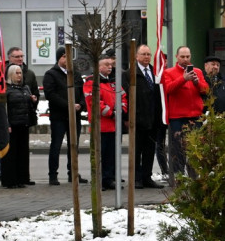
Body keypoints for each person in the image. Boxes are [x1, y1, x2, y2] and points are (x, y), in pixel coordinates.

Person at [162, 46, 209, 181]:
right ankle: (179, 177)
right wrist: (183, 78)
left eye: (187, 57)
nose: (185, 60)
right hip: (178, 117)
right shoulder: (169, 72)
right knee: (178, 149)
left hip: (195, 116)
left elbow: (206, 90)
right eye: (182, 57)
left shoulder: (198, 72)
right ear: (177, 57)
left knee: (196, 148)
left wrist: (196, 82)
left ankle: (194, 177)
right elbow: (168, 89)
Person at [42, 46, 87, 185]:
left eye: (69, 57)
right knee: (56, 145)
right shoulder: (51, 74)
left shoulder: (75, 74)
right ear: (59, 58)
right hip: (59, 116)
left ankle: (73, 172)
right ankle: (53, 175)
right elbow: (51, 95)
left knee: (74, 145)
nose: (67, 60)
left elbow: (82, 91)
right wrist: (68, 105)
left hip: (75, 116)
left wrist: (81, 104)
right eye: (64, 57)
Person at [125, 44, 164, 189]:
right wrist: (127, 117)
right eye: (143, 54)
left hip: (153, 119)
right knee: (136, 151)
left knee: (149, 150)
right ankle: (136, 178)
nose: (147, 57)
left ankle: (147, 177)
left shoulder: (155, 72)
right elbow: (126, 97)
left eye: (148, 54)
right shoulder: (130, 74)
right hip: (137, 119)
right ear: (136, 56)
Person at [84, 55, 127, 190]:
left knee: (111, 156)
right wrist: (112, 113)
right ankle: (98, 180)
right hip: (100, 126)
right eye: (106, 64)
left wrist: (121, 110)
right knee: (99, 155)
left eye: (111, 64)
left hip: (113, 126)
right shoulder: (91, 82)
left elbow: (123, 97)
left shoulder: (114, 82)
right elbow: (95, 102)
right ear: (98, 67)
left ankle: (108, 179)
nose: (110, 67)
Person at [2, 64, 36, 188]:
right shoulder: (6, 89)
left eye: (20, 73)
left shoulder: (25, 88)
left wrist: (32, 99)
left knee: (22, 152)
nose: (19, 75)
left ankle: (22, 178)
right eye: (16, 73)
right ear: (10, 74)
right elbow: (4, 108)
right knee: (11, 153)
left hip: (23, 123)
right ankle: (10, 180)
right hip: (12, 125)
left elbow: (27, 104)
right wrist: (7, 124)